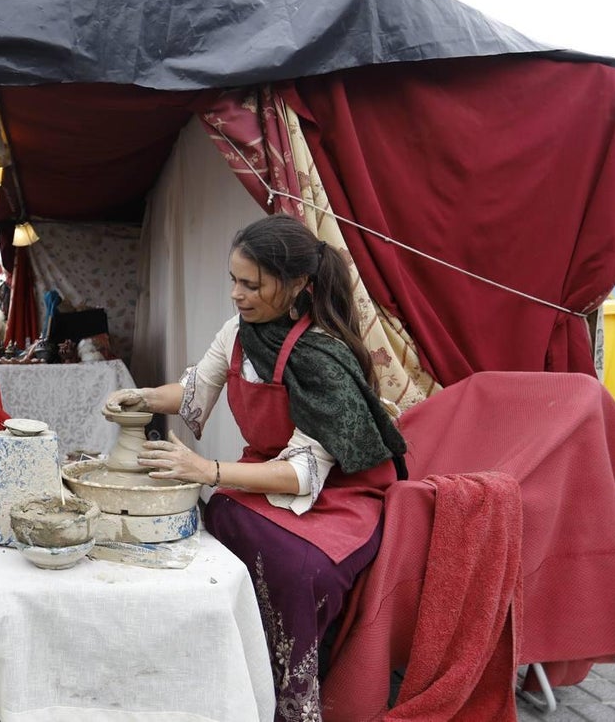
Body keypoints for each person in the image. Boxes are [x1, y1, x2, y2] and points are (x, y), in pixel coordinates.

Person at [104, 214, 407, 721]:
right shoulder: (238, 333)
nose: (236, 295)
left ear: (297, 284)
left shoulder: (323, 357)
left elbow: (303, 474)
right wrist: (144, 398)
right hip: (265, 475)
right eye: (233, 280)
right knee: (222, 517)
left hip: (339, 494)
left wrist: (206, 470)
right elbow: (198, 387)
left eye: (251, 284)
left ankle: (293, 698)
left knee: (300, 569)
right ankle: (235, 673)